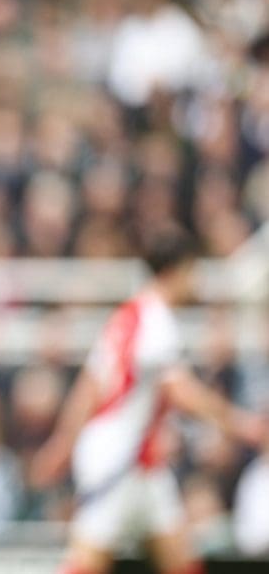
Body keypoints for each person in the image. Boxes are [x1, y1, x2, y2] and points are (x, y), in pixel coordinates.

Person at [30, 228, 267, 574]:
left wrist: (62, 444)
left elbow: (89, 387)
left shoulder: (128, 317)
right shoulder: (157, 321)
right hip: (119, 461)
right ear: (181, 270)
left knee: (181, 558)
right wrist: (238, 422)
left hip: (140, 463)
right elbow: (181, 391)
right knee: (86, 563)